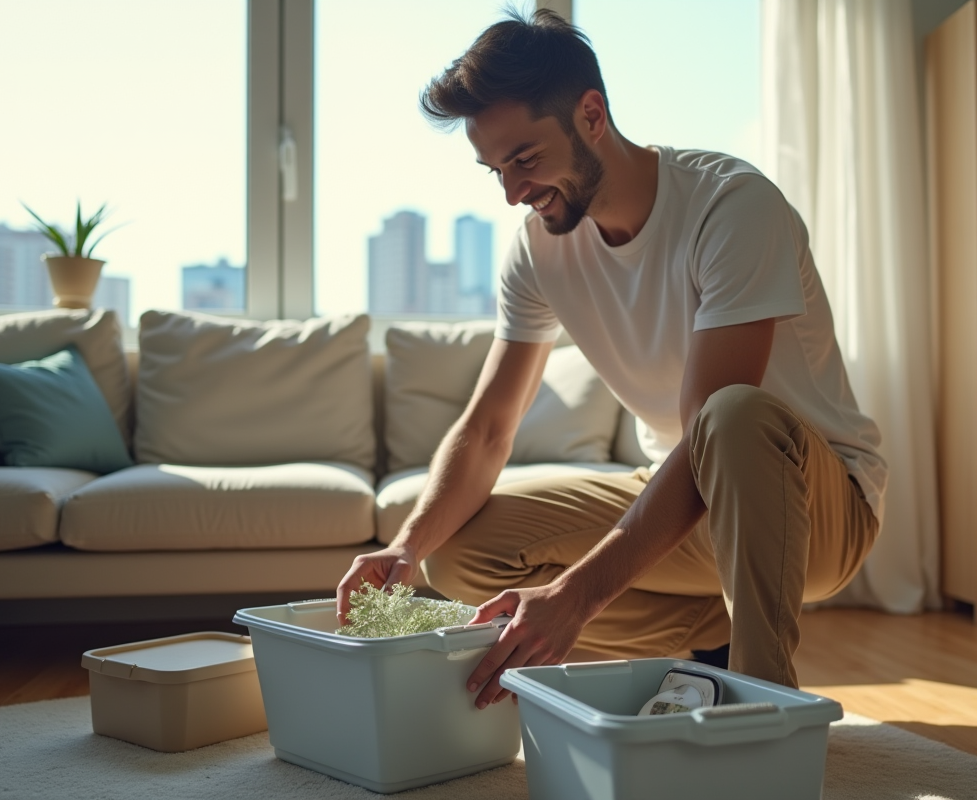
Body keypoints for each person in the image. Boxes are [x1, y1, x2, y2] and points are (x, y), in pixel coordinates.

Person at [336, 8, 885, 709]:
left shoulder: (733, 207)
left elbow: (709, 434)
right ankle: (707, 630)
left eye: (525, 159)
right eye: (495, 170)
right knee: (458, 553)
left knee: (733, 414)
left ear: (591, 114)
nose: (512, 193)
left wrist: (574, 596)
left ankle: (760, 709)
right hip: (691, 504)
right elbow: (487, 431)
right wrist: (405, 549)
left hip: (814, 504)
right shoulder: (539, 248)